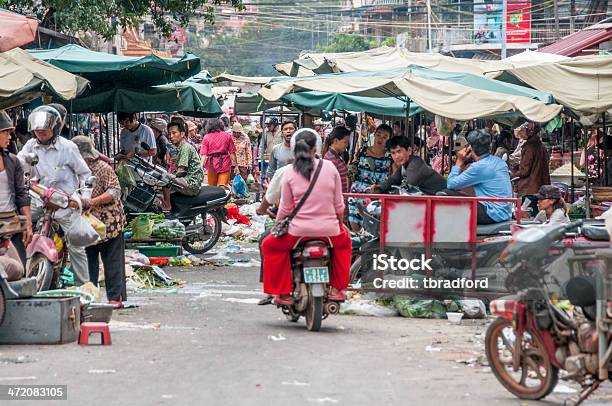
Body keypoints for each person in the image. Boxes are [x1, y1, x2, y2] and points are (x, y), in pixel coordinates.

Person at [261, 129, 351, 305]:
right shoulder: (330, 167)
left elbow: (285, 209)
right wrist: (340, 224)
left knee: (269, 246)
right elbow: (339, 205)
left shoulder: (289, 172)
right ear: (316, 148)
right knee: (345, 243)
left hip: (297, 232)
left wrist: (277, 226)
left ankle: (283, 293)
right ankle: (336, 289)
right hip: (329, 230)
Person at [18, 106, 92, 285]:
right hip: (38, 199)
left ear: (56, 127)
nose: (40, 131)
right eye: (37, 129)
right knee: (17, 228)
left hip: (64, 202)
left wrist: (85, 196)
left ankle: (84, 290)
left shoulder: (68, 147)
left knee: (77, 246)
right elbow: (19, 166)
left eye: (44, 128)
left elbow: (85, 174)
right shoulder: (29, 146)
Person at [72, 136, 127, 308]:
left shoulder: (102, 168)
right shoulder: (72, 171)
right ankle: (89, 297)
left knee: (112, 261)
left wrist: (93, 202)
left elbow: (115, 191)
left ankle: (115, 298)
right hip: (86, 224)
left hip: (109, 222)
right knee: (88, 262)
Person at [445, 129, 513, 225]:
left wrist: (459, 161)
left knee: (446, 193)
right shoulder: (499, 162)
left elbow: (450, 184)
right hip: (504, 212)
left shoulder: (478, 167)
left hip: (492, 213)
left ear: (470, 148)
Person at [0, 110, 32, 266]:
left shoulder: (13, 162)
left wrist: (28, 224)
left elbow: (21, 194)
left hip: (12, 222)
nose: (10, 137)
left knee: (20, 270)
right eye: (5, 132)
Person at [347, 124, 392, 231]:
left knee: (372, 225)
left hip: (376, 195)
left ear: (389, 140)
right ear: (374, 135)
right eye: (378, 135)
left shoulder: (390, 156)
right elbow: (352, 168)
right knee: (355, 223)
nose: (380, 138)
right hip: (357, 193)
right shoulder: (363, 151)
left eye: (385, 137)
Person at [373, 136, 446, 195]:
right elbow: (393, 180)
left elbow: (406, 187)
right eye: (393, 153)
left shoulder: (416, 164)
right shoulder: (404, 166)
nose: (396, 156)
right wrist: (379, 188)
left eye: (399, 151)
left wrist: (385, 193)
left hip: (444, 198)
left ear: (409, 151)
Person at [512, 122, 550, 202]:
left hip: (530, 189)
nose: (520, 134)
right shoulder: (540, 145)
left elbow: (524, 171)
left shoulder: (529, 147)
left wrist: (514, 174)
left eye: (522, 131)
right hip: (540, 187)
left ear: (529, 131)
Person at [168, 118, 204, 197]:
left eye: (174, 133)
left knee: (164, 178)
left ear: (182, 134)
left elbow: (180, 171)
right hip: (187, 180)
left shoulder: (185, 147)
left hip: (191, 183)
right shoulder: (179, 147)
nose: (171, 136)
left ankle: (167, 205)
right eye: (169, 133)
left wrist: (169, 176)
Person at [199, 118, 237, 187]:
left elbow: (203, 155)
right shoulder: (227, 136)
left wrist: (200, 167)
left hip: (211, 165)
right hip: (225, 164)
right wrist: (236, 165)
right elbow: (232, 152)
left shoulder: (206, 137)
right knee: (222, 187)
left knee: (212, 188)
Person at [324, 126, 351, 194]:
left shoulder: (335, 156)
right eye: (345, 142)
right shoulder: (331, 159)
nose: (347, 145)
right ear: (336, 141)